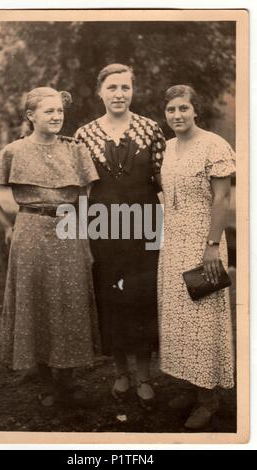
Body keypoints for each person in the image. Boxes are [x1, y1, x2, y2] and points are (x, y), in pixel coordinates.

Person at [0, 87, 100, 407]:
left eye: (59, 111)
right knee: (36, 301)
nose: (56, 116)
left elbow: (82, 196)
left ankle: (68, 379)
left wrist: (82, 234)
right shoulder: (14, 151)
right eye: (48, 111)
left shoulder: (76, 150)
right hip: (30, 232)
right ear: (31, 116)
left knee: (69, 300)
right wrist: (8, 224)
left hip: (68, 230)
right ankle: (46, 381)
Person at [75, 64, 165, 409]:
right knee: (110, 299)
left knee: (141, 299)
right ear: (100, 91)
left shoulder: (150, 129)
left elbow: (163, 183)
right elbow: (81, 189)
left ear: (133, 91)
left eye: (125, 88)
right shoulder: (85, 134)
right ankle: (121, 373)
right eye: (112, 87)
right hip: (103, 229)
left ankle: (143, 375)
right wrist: (81, 234)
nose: (119, 94)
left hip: (144, 227)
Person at [158, 84, 235, 429]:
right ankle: (192, 385)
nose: (177, 115)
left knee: (204, 318)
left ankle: (209, 398)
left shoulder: (214, 145)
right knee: (181, 319)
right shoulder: (168, 147)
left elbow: (221, 200)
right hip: (173, 241)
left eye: (183, 109)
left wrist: (212, 246)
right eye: (171, 109)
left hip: (205, 240)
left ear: (195, 110)